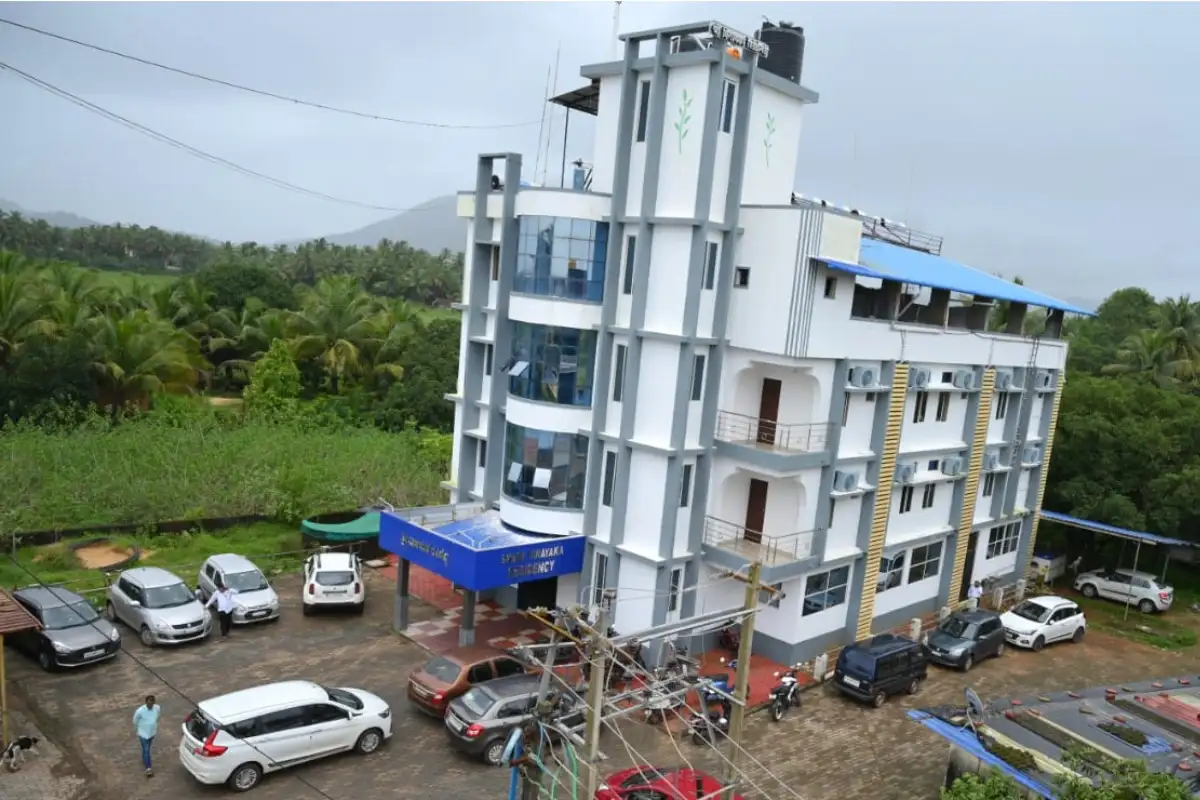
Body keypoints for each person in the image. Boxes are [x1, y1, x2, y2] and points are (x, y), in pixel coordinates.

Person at [132, 695, 161, 777]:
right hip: (143, 734)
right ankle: (148, 768)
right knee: (146, 749)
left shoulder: (157, 708)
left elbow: (158, 716)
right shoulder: (140, 711)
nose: (150, 705)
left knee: (146, 750)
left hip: (152, 733)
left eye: (152, 704)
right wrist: (141, 728)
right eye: (148, 703)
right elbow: (135, 721)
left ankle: (145, 759)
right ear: (146, 702)